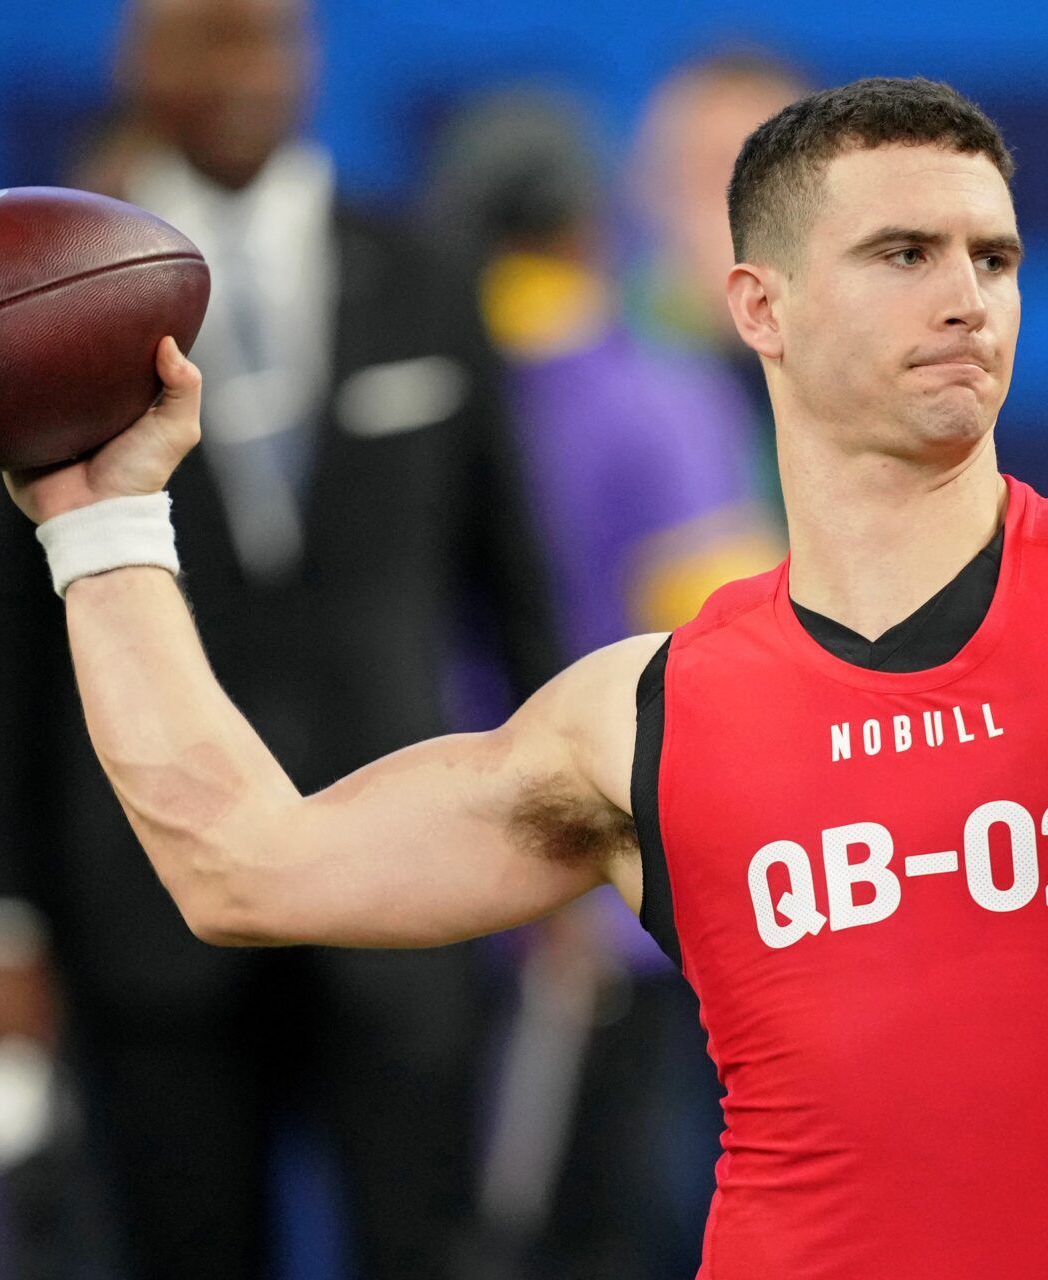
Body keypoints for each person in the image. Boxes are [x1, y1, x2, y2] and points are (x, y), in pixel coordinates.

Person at [0, 78, 1048, 1278]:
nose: (968, 295)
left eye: (994, 256)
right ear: (761, 307)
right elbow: (245, 867)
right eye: (904, 253)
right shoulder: (646, 714)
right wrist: (104, 515)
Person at [0, 0, 562, 1276]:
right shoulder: (36, 304)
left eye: (269, 38)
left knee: (424, 1248)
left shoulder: (423, 268)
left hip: (408, 889)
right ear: (134, 66)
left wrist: (568, 845)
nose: (246, 72)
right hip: (142, 907)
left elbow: (516, 584)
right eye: (207, 39)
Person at [420, 91, 776, 1275]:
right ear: (587, 225)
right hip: (619, 917)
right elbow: (733, 661)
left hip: (426, 899)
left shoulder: (406, 409)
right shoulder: (658, 403)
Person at [625, 50, 811, 521]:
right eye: (712, 178)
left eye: (775, 185)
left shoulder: (867, 386)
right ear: (650, 195)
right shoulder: (587, 393)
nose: (746, 218)